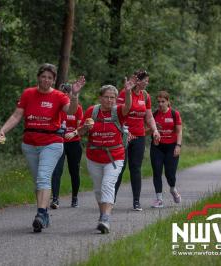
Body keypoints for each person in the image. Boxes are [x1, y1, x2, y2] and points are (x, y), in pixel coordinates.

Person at [0, 63, 85, 233]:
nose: (46, 80)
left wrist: (74, 94)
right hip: (30, 143)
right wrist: (3, 130)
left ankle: (41, 213)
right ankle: (44, 215)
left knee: (44, 177)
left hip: (52, 142)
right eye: (43, 76)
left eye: (50, 78)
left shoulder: (59, 96)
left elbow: (71, 110)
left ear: (54, 80)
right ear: (38, 77)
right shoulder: (28, 94)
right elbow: (16, 115)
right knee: (39, 180)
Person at [78, 82, 131, 234]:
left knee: (108, 185)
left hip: (115, 156)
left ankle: (106, 218)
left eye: (112, 98)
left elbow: (127, 106)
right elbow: (80, 133)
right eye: (106, 97)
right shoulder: (91, 111)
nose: (109, 100)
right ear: (100, 98)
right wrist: (85, 128)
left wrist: (127, 92)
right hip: (94, 156)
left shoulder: (118, 111)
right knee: (98, 189)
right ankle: (103, 216)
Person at [114, 69, 160, 211]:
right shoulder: (124, 93)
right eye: (145, 80)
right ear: (138, 81)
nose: (147, 83)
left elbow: (149, 116)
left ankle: (136, 201)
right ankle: (111, 199)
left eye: (147, 80)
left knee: (136, 168)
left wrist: (155, 130)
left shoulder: (145, 96)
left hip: (139, 136)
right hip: (124, 135)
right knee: (120, 168)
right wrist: (125, 133)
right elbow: (118, 113)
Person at [50, 83, 83, 209]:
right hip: (59, 141)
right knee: (57, 170)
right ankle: (55, 199)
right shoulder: (57, 107)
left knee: (74, 171)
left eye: (66, 93)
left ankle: (74, 197)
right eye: (61, 93)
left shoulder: (77, 108)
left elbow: (80, 126)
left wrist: (73, 133)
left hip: (74, 142)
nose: (63, 95)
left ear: (70, 94)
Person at [150, 91, 182, 208]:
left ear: (168, 102)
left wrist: (178, 146)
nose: (160, 104)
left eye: (163, 101)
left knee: (170, 173)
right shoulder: (154, 115)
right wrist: (154, 130)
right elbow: (147, 131)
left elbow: (179, 131)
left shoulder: (174, 114)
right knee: (157, 172)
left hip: (171, 146)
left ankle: (173, 189)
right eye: (158, 102)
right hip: (157, 147)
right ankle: (159, 199)